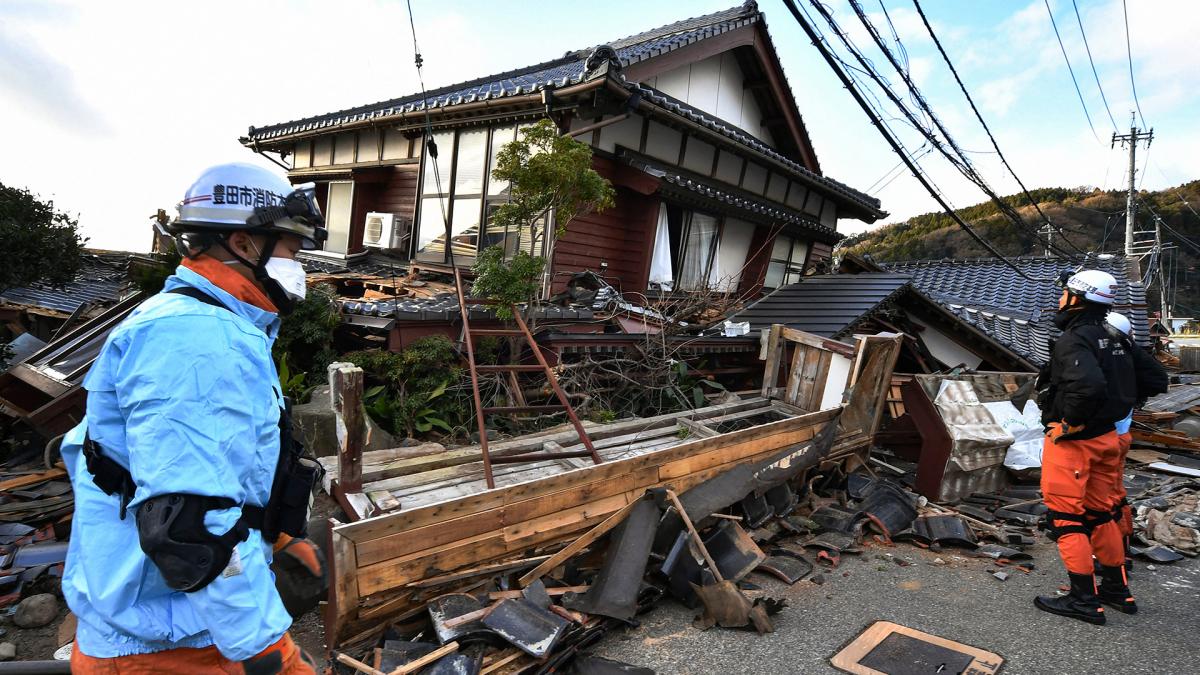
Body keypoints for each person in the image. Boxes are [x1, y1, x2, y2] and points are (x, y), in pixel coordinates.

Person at [61, 163, 328, 673]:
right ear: (245, 243)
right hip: (166, 646)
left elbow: (209, 470)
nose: (299, 265)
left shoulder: (204, 323)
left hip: (177, 625)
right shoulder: (197, 340)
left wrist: (275, 533)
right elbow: (191, 527)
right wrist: (266, 651)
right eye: (292, 248)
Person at [1034, 269, 1136, 625]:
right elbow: (1147, 378)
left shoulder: (1075, 339)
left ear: (1078, 298)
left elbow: (1088, 385)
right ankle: (1116, 588)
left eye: (1064, 293)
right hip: (1109, 437)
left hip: (1076, 442)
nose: (1060, 299)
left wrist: (1069, 423)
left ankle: (1083, 600)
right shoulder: (1114, 337)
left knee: (1066, 517)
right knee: (1102, 512)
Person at [1103, 311, 1169, 577]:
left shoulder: (1111, 362)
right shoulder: (1134, 360)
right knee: (1116, 496)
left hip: (1104, 438)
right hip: (1122, 436)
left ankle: (1111, 560)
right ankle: (1122, 551)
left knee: (1099, 502)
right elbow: (1157, 381)